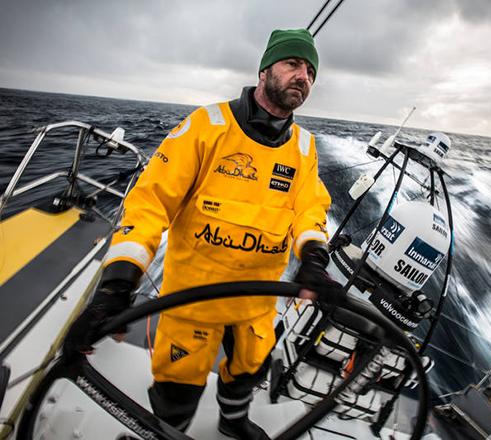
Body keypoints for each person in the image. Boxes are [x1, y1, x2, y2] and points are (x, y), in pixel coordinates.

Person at [65, 28, 344, 440]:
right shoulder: (206, 126)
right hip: (192, 300)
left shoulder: (304, 146)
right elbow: (149, 203)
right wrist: (117, 285)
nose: (303, 76)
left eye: (310, 71)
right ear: (265, 69)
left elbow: (309, 209)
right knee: (177, 387)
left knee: (249, 373)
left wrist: (315, 260)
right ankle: (167, 431)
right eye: (292, 64)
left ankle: (232, 424)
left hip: (257, 303)